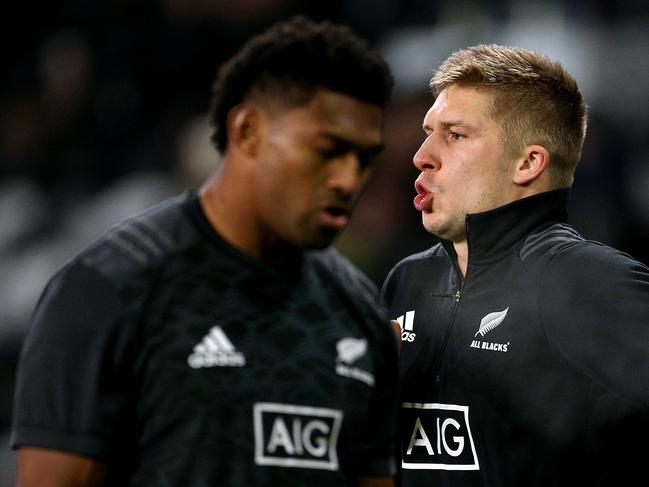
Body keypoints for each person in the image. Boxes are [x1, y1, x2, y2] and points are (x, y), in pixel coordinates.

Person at [11, 16, 399, 487]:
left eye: (364, 158)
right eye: (327, 149)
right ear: (248, 130)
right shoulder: (108, 290)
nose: (348, 180)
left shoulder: (358, 312)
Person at [382, 44, 649, 486]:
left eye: (456, 135)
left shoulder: (585, 280)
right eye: (428, 131)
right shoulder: (408, 281)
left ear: (528, 163)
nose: (422, 154)